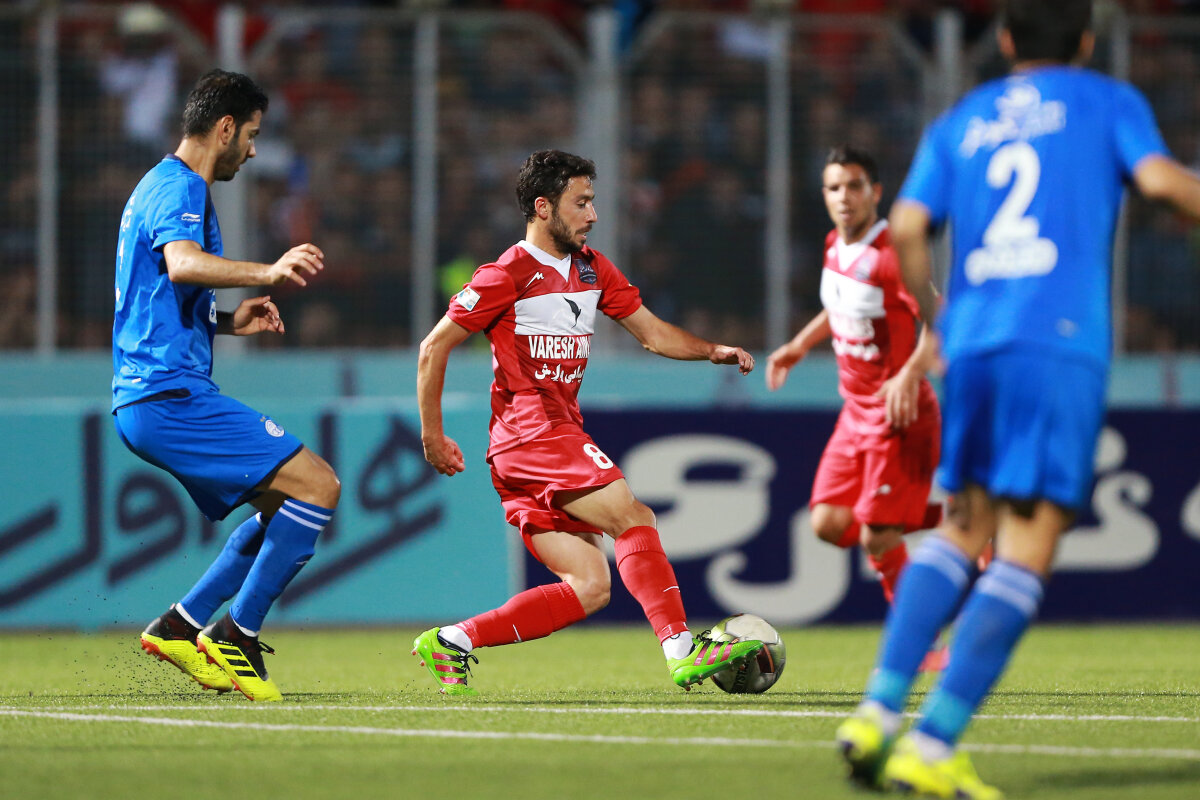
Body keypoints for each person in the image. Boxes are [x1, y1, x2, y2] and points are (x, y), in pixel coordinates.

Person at [836, 2, 1200, 797]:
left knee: (962, 526)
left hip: (974, 340)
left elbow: (908, 225)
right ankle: (932, 744)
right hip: (1056, 339)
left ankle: (876, 712)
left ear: (1004, 41)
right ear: (1086, 40)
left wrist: (940, 322)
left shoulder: (964, 118)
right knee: (1028, 543)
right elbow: (1161, 183)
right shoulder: (1105, 99)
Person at [414, 149, 764, 695]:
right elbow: (433, 347)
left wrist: (711, 350)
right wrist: (432, 436)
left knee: (590, 585)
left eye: (592, 202)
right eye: (580, 203)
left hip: (531, 446)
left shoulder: (591, 268)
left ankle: (451, 641)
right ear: (543, 207)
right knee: (634, 515)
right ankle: (681, 649)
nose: (593, 215)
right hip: (533, 433)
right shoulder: (505, 274)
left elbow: (653, 334)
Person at [116, 69, 340, 702]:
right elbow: (183, 264)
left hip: (153, 393)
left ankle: (181, 624)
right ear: (224, 128)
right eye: (251, 135)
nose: (253, 150)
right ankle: (237, 634)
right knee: (319, 485)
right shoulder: (180, 186)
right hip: (167, 394)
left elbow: (153, 296)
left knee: (284, 502)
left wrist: (223, 322)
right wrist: (267, 270)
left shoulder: (156, 185)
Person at [766, 147, 944, 648]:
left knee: (877, 536)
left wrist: (909, 374)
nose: (844, 196)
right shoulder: (834, 246)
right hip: (855, 412)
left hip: (897, 414)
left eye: (854, 185)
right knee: (827, 523)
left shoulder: (891, 256)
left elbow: (942, 318)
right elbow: (840, 306)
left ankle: (921, 644)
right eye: (834, 187)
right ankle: (957, 519)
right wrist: (800, 344)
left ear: (875, 192)